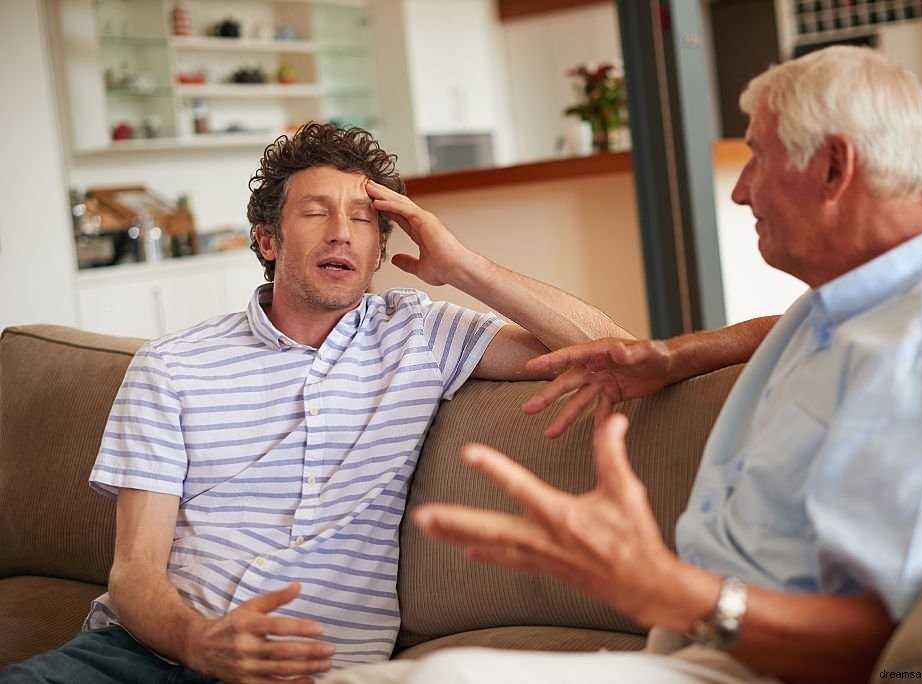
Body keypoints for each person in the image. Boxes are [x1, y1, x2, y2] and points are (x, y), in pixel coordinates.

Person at [323, 45, 922, 684]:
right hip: (699, 645)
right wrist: (673, 356)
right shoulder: (869, 305)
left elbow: (884, 649)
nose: (742, 189)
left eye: (759, 156)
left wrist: (664, 588)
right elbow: (802, 328)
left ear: (834, 168)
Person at [0, 122, 638, 683]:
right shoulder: (172, 366)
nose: (342, 233)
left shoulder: (419, 335)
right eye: (316, 213)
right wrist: (202, 643)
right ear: (268, 240)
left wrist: (464, 265)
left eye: (363, 219)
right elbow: (135, 574)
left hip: (308, 670)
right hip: (137, 654)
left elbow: (618, 353)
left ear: (380, 249)